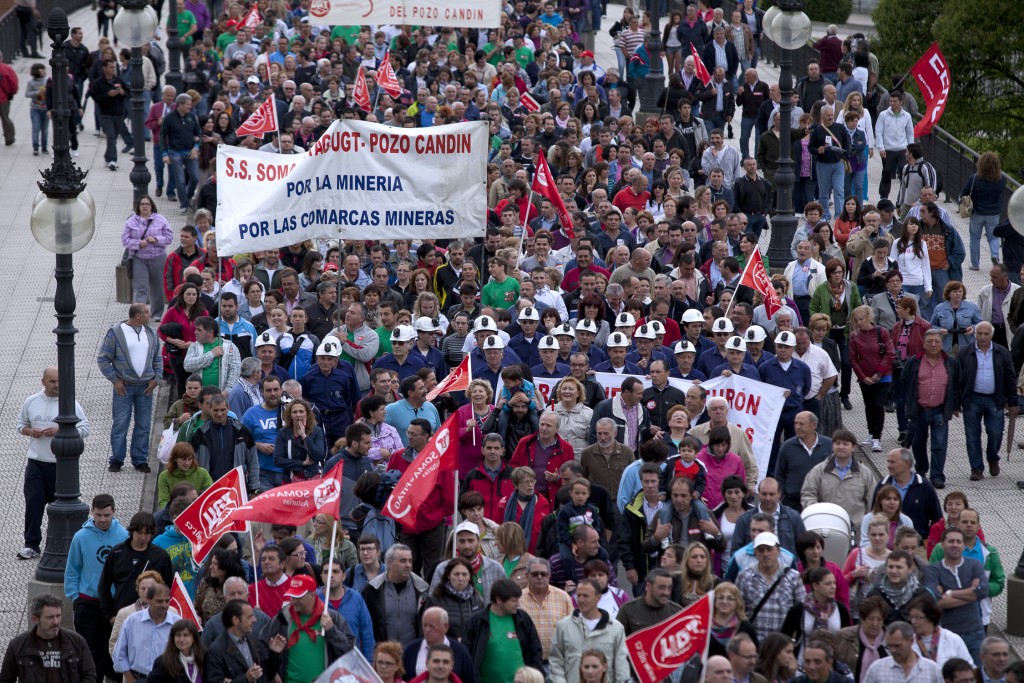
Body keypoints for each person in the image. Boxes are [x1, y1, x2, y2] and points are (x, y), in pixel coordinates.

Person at [17, 366, 90, 560]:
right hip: (36, 462)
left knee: (59, 506)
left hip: (61, 465)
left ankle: (59, 544)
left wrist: (61, 431)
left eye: (59, 381)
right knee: (33, 504)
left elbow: (84, 428)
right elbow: (21, 425)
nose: (57, 385)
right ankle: (31, 544)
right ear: (43, 382)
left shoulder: (70, 403)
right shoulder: (31, 401)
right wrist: (31, 432)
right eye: (52, 381)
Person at [65, 493, 128, 682]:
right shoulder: (81, 537)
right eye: (98, 515)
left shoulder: (123, 536)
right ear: (92, 512)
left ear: (114, 512)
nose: (102, 520)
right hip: (88, 602)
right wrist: (76, 597)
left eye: (107, 515)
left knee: (115, 651)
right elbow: (72, 568)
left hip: (114, 605)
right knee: (90, 654)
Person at [97, 304, 162, 473]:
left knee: (144, 424)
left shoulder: (150, 332)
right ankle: (117, 459)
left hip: (145, 386)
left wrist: (156, 378)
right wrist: (115, 380)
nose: (150, 315)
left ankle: (140, 459)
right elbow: (103, 359)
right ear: (138, 316)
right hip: (124, 386)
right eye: (147, 312)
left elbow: (157, 357)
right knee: (120, 423)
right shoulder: (116, 332)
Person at [258, 574, 354, 681]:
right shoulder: (283, 617)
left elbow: (349, 653)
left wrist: (332, 631)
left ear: (312, 595)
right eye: (292, 595)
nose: (293, 601)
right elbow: (262, 643)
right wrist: (272, 669)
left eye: (298, 597)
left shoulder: (332, 618)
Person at [957, 320, 1018, 480]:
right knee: (972, 435)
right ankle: (976, 468)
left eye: (986, 334)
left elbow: (1010, 378)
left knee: (995, 432)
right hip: (972, 399)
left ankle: (992, 458)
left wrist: (1013, 402)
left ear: (991, 335)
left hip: (995, 399)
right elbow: (957, 379)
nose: (982, 337)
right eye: (979, 333)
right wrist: (955, 402)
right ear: (975, 334)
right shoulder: (965, 352)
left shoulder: (1002, 352)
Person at [927, 508, 1004, 631]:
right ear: (957, 523)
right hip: (945, 618)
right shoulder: (940, 549)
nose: (969, 525)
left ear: (979, 526)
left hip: (978, 619)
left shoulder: (990, 552)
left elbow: (999, 583)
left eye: (973, 522)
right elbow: (930, 580)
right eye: (965, 522)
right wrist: (971, 592)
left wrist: (979, 590)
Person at [902, 329, 959, 487]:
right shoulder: (914, 362)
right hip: (919, 409)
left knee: (939, 444)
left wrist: (955, 406)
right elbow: (904, 381)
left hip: (940, 410)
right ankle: (921, 469)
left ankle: (937, 476)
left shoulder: (951, 362)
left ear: (942, 344)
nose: (933, 345)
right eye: (930, 342)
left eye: (937, 342)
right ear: (924, 344)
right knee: (918, 443)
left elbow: (956, 385)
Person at [923, 527, 988, 664]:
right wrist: (971, 592)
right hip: (946, 633)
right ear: (942, 544)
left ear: (963, 545)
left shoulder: (974, 565)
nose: (955, 544)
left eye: (959, 541)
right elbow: (936, 601)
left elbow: (983, 591)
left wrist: (949, 592)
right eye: (951, 541)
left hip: (974, 631)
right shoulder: (933, 570)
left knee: (977, 675)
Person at [1, 593, 96, 683]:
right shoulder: (18, 645)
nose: (56, 621)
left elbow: (89, 675)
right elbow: (6, 679)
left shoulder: (77, 642)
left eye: (58, 616)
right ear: (35, 619)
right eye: (50, 617)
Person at [549, 578, 630, 683]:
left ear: (598, 597)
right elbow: (556, 661)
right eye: (578, 596)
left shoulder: (615, 628)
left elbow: (621, 664)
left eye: (586, 596)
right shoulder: (564, 626)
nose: (581, 600)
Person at [801, 429, 878, 538]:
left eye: (845, 444)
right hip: (825, 532)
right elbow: (808, 494)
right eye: (837, 443)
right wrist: (818, 513)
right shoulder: (819, 471)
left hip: (856, 534)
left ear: (853, 447)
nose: (841, 447)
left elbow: (873, 503)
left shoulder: (865, 473)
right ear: (832, 446)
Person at [465, 578, 544, 683]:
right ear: (499, 599)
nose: (518, 604)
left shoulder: (523, 619)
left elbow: (536, 650)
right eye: (513, 601)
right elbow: (467, 655)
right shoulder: (477, 622)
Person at [735, 532, 805, 641]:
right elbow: (738, 611)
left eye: (769, 549)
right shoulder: (744, 576)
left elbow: (802, 611)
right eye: (761, 550)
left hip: (782, 643)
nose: (765, 554)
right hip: (753, 642)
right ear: (755, 553)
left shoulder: (793, 577)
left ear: (778, 551)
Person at [362, 543, 430, 648]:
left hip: (412, 655)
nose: (408, 565)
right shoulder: (372, 589)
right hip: (383, 655)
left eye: (410, 561)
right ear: (389, 563)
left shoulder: (423, 590)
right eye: (403, 561)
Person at [112, 583, 181, 682]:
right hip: (138, 678)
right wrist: (130, 679)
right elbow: (119, 653)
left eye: (167, 601)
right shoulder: (132, 621)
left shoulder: (177, 622)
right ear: (148, 600)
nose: (164, 605)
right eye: (159, 601)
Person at [780, 567, 851, 653]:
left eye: (834, 583)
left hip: (833, 661)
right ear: (815, 585)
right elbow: (784, 637)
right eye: (828, 584)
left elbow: (848, 638)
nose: (833, 587)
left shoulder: (840, 609)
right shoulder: (799, 609)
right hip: (803, 661)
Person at [205, 599, 274, 683]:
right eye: (249, 617)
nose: (254, 620)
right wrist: (246, 679)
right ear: (236, 620)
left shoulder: (253, 641)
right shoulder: (217, 650)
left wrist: (275, 653)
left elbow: (267, 674)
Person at [961, 152, 1008, 271]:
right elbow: (1002, 190)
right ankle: (994, 256)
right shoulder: (1002, 179)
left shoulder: (974, 178)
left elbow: (964, 193)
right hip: (993, 213)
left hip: (977, 212)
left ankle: (975, 264)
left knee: (975, 238)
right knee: (993, 238)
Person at [904, 594, 971, 668]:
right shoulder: (909, 642)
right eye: (911, 617)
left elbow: (969, 666)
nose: (913, 622)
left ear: (931, 617)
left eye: (918, 617)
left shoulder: (952, 639)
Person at [184, 316, 242, 393]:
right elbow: (187, 366)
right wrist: (211, 354)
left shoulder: (230, 347)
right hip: (200, 396)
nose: (195, 332)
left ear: (210, 332)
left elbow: (235, 372)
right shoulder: (194, 346)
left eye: (199, 330)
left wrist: (227, 392)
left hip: (222, 396)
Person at [157, 443, 212, 507]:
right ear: (175, 459)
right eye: (183, 459)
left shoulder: (203, 473)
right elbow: (163, 501)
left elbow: (211, 494)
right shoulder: (164, 477)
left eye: (190, 459)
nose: (187, 463)